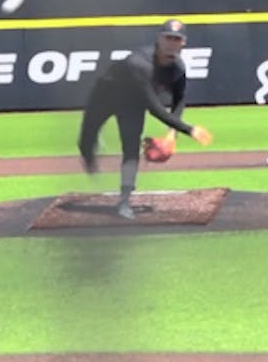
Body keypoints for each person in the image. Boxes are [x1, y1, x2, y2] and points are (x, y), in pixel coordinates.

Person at [77, 18, 213, 219]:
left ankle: (124, 201)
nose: (171, 43)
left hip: (132, 103)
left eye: (177, 39)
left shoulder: (178, 68)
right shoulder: (139, 63)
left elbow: (179, 101)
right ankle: (89, 154)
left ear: (183, 43)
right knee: (85, 141)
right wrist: (190, 130)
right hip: (105, 95)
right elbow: (155, 109)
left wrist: (171, 136)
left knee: (131, 149)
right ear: (159, 38)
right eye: (168, 37)